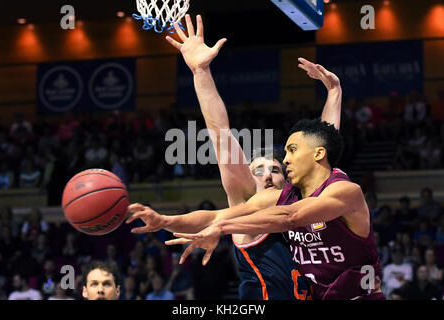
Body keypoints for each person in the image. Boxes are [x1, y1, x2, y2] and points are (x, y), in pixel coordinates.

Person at [128, 14, 343, 300]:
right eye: (258, 170)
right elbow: (220, 133)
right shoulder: (246, 204)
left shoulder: (305, 203)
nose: (267, 174)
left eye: (275, 169)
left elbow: (322, 150)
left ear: (288, 175)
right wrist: (200, 72)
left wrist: (334, 91)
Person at [162, 119, 385, 300]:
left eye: (292, 150)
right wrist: (163, 220)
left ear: (318, 154)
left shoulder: (347, 191)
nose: (286, 159)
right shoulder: (281, 196)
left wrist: (221, 228)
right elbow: (216, 214)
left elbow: (290, 217)